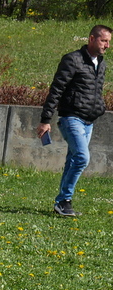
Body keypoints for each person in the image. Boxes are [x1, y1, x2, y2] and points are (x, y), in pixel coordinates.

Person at [36, 24, 111, 217]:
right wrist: (45, 119)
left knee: (72, 161)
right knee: (82, 158)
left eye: (109, 42)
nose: (107, 45)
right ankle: (65, 199)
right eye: (104, 41)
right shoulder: (73, 60)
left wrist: (99, 107)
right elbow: (56, 90)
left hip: (89, 121)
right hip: (71, 118)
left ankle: (61, 203)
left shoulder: (101, 63)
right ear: (92, 39)